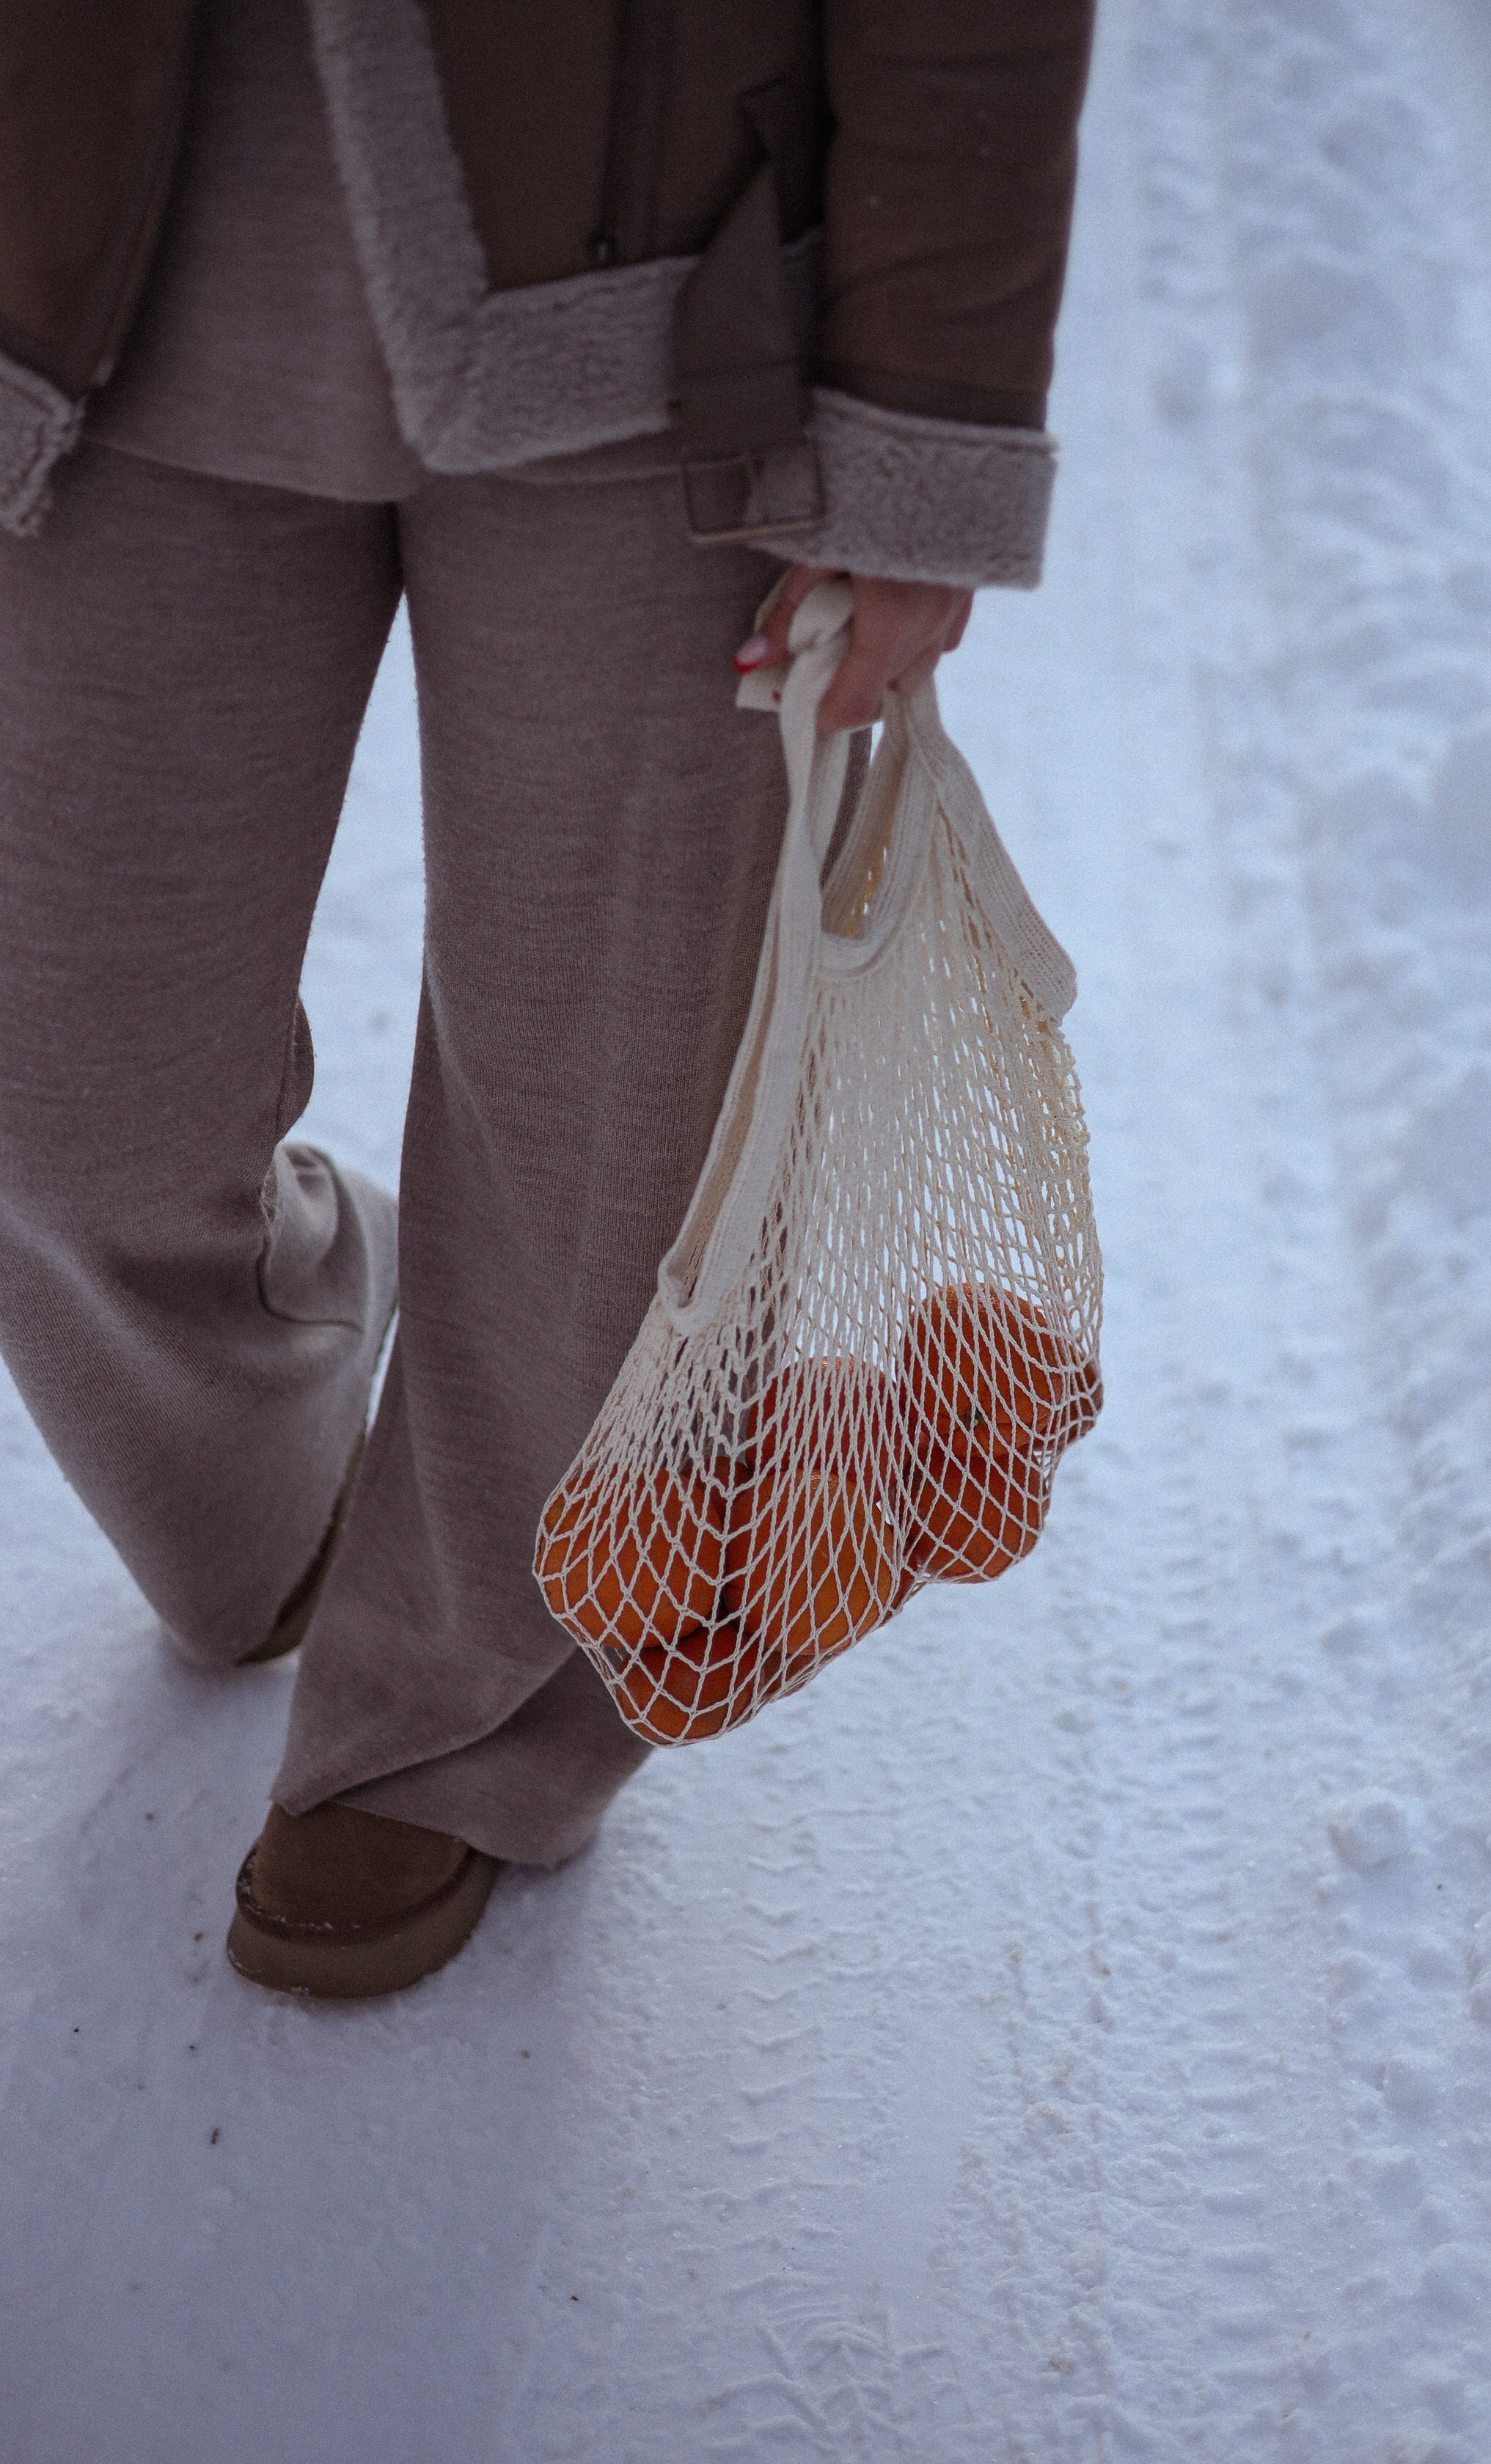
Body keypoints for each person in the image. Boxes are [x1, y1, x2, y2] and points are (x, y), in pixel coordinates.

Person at [0, 0, 1096, 1997]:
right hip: (85, 283)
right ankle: (274, 1453)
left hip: (666, 312)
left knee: (605, 1139)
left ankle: (457, 1723)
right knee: (60, 1094)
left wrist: (923, 426)